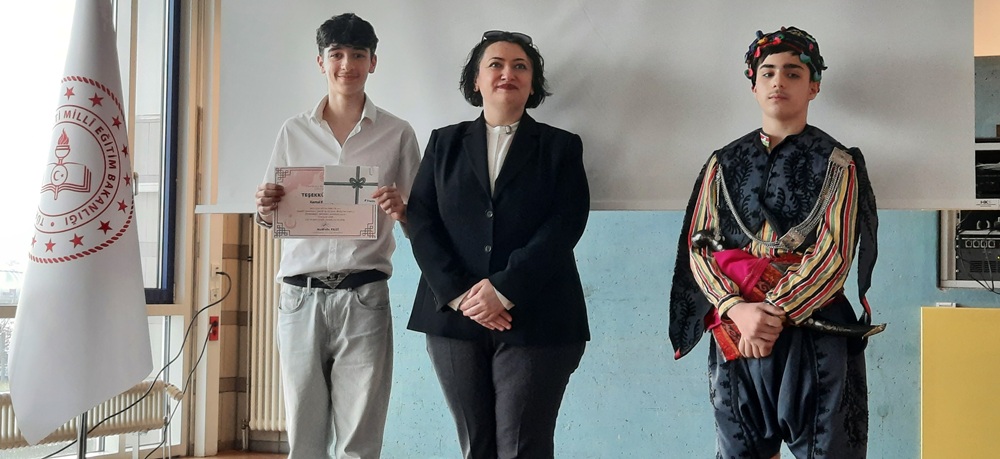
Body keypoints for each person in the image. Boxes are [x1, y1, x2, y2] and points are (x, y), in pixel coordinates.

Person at [668, 26, 879, 458]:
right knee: (741, 450)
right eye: (767, 73)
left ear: (813, 86)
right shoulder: (723, 163)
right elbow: (700, 247)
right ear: (754, 85)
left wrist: (772, 315)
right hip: (736, 329)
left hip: (812, 330)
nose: (778, 81)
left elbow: (834, 254)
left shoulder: (838, 163)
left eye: (792, 73)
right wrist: (736, 309)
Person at [406, 30, 591, 459]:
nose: (508, 73)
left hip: (539, 316)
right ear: (476, 79)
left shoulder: (561, 147)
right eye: (496, 64)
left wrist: (504, 289)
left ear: (532, 82)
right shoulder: (443, 142)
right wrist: (459, 294)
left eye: (520, 66)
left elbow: (565, 224)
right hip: (454, 319)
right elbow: (421, 218)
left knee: (523, 448)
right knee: (477, 448)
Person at [253, 13, 420, 459]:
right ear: (321, 62)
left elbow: (420, 221)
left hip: (364, 295)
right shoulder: (293, 131)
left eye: (358, 55)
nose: (348, 65)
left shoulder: (398, 134)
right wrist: (265, 207)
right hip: (299, 297)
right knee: (303, 439)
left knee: (359, 441)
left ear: (373, 62)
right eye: (337, 54)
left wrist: (404, 210)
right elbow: (270, 216)